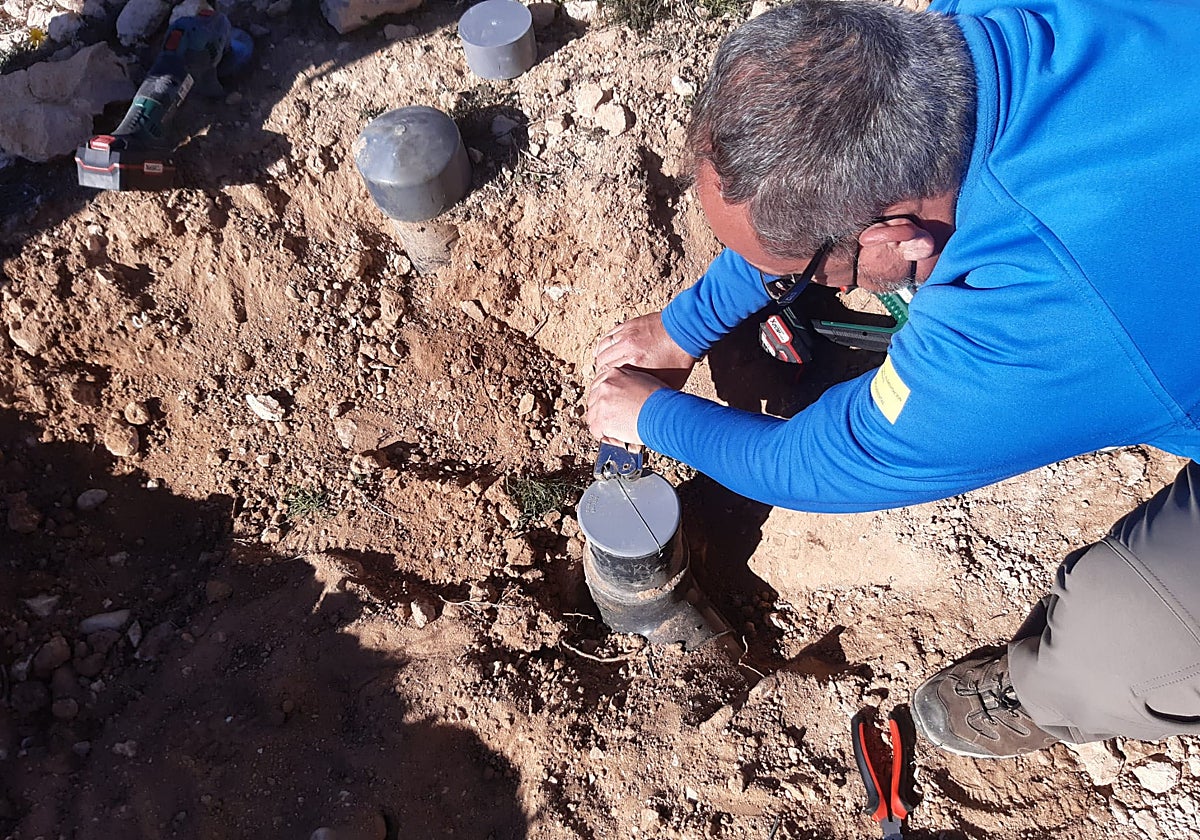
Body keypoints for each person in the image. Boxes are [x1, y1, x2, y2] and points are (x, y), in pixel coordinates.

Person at [585, 0, 1200, 759]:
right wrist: (687, 323)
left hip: (1124, 294)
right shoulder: (958, 41)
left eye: (800, 273)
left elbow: (816, 462)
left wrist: (652, 416)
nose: (797, 284)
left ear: (895, 236)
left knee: (1131, 635)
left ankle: (1059, 687)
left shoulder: (1036, 311)